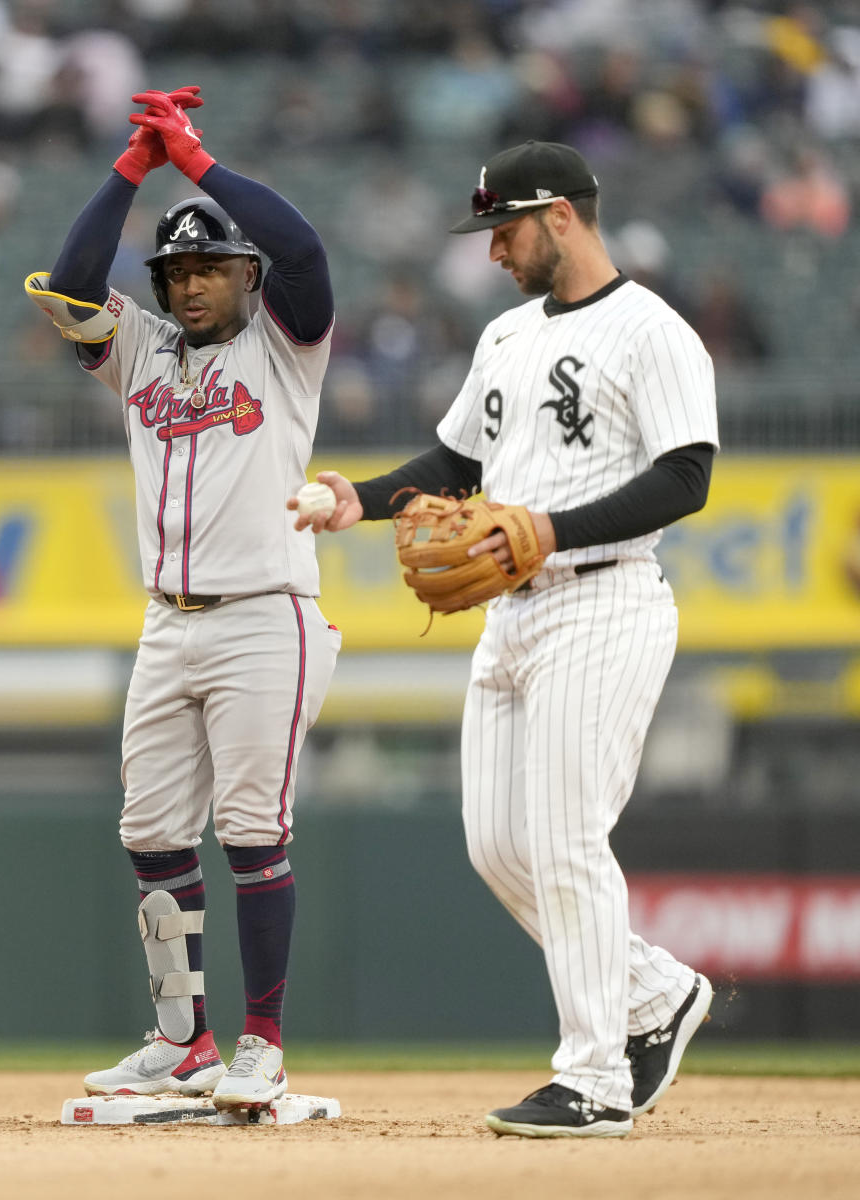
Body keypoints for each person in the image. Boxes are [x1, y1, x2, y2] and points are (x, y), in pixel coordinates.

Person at [290, 140, 717, 1139]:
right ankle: (656, 995)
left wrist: (551, 530)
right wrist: (361, 498)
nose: (492, 250)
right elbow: (453, 458)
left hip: (603, 599)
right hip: (512, 614)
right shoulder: (506, 337)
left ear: (562, 215)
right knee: (497, 847)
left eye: (505, 228)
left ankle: (596, 1078)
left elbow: (687, 474)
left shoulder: (652, 332)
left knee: (566, 839)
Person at [27, 85, 340, 1109]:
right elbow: (73, 288)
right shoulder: (145, 347)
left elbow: (305, 252)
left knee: (254, 830)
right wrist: (131, 168)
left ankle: (262, 1041)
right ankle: (183, 1039)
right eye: (177, 270)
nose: (193, 283)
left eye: (212, 266)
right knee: (152, 832)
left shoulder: (286, 345)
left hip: (265, 613)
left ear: (245, 276)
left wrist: (195, 162)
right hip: (167, 621)